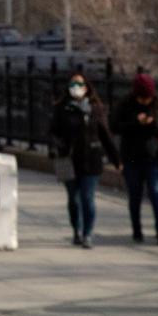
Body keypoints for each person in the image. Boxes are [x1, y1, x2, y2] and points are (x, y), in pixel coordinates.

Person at [50, 73, 120, 249]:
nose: (76, 87)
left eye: (80, 84)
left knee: (87, 198)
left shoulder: (96, 109)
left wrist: (116, 159)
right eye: (73, 84)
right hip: (67, 159)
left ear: (87, 88)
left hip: (91, 159)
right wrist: (57, 147)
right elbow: (52, 132)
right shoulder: (62, 108)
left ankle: (88, 233)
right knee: (73, 199)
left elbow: (105, 135)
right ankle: (77, 231)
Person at [111, 72, 158, 244]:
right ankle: (137, 230)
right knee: (135, 194)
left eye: (148, 98)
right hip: (131, 157)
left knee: (156, 192)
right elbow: (114, 126)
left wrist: (156, 124)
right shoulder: (125, 105)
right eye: (142, 98)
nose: (145, 101)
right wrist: (136, 123)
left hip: (152, 156)